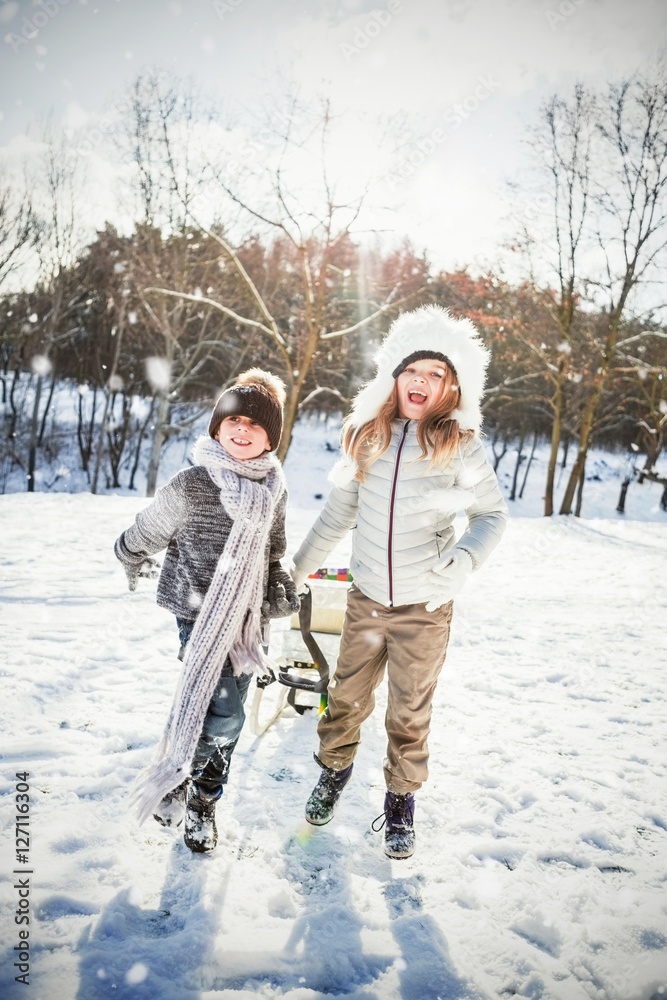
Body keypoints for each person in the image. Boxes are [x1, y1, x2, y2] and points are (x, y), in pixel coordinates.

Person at [290, 305, 509, 859]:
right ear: (395, 374)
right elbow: (337, 515)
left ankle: (400, 803)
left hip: (425, 607)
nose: (423, 381)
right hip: (365, 600)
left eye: (437, 374)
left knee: (410, 711)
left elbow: (492, 516)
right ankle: (333, 773)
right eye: (415, 369)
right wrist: (294, 569)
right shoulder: (367, 436)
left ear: (452, 386)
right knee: (343, 700)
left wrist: (460, 566)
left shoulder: (462, 443)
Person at [114, 369, 299, 853]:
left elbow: (273, 550)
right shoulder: (193, 483)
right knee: (223, 716)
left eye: (255, 426)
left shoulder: (274, 488)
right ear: (217, 426)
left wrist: (278, 584)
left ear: (269, 438)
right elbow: (150, 528)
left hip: (245, 621)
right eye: (233, 419)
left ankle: (203, 804)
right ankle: (175, 777)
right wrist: (128, 551)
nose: (242, 430)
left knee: (225, 715)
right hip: (196, 611)